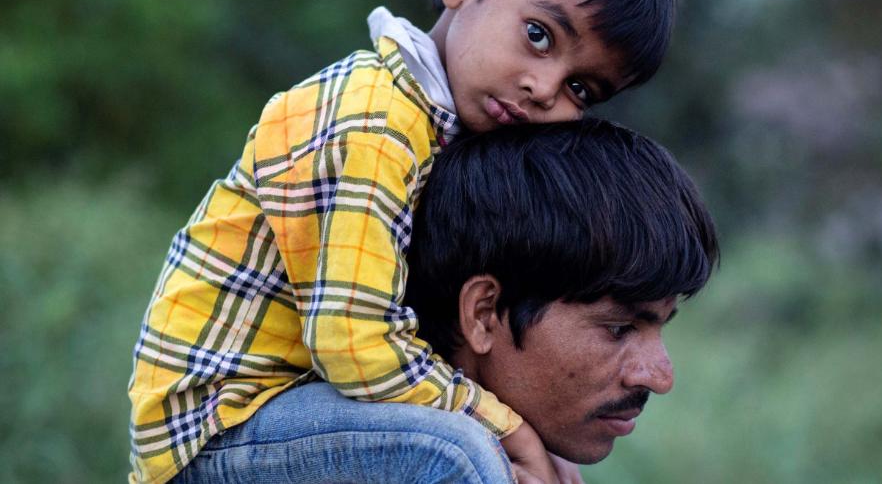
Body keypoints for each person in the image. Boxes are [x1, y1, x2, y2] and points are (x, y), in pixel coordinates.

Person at [127, 0, 679, 484]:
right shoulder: (376, 121)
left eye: (581, 88)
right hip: (220, 425)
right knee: (456, 452)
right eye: (538, 35)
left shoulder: (439, 131)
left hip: (295, 406)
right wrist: (506, 427)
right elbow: (355, 343)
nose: (543, 88)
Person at [170, 119, 719, 483]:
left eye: (661, 328)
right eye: (620, 329)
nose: (659, 376)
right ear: (483, 314)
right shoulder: (448, 458)